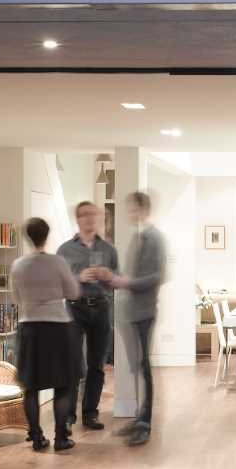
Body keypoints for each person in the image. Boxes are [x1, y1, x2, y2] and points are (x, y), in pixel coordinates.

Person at [83, 189, 167, 446]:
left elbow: (156, 277)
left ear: (142, 209)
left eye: (132, 209)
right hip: (133, 312)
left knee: (145, 369)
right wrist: (115, 278)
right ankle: (140, 419)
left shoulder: (153, 238)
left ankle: (145, 423)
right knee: (138, 367)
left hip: (144, 312)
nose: (130, 213)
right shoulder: (139, 237)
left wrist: (123, 281)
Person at [9, 216, 82, 452]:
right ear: (47, 235)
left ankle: (37, 437)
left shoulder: (18, 265)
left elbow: (16, 298)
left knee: (31, 386)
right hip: (57, 328)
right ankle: (61, 438)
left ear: (28, 236)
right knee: (63, 384)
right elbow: (72, 293)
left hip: (30, 328)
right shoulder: (57, 262)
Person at [56, 200, 119, 431]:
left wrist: (108, 275)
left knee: (97, 365)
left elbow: (117, 282)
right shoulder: (64, 250)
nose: (89, 218)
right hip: (74, 308)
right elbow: (58, 285)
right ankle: (69, 416)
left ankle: (90, 414)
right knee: (73, 364)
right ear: (78, 218)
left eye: (93, 214)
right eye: (84, 215)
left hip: (102, 308)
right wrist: (78, 278)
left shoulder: (109, 250)